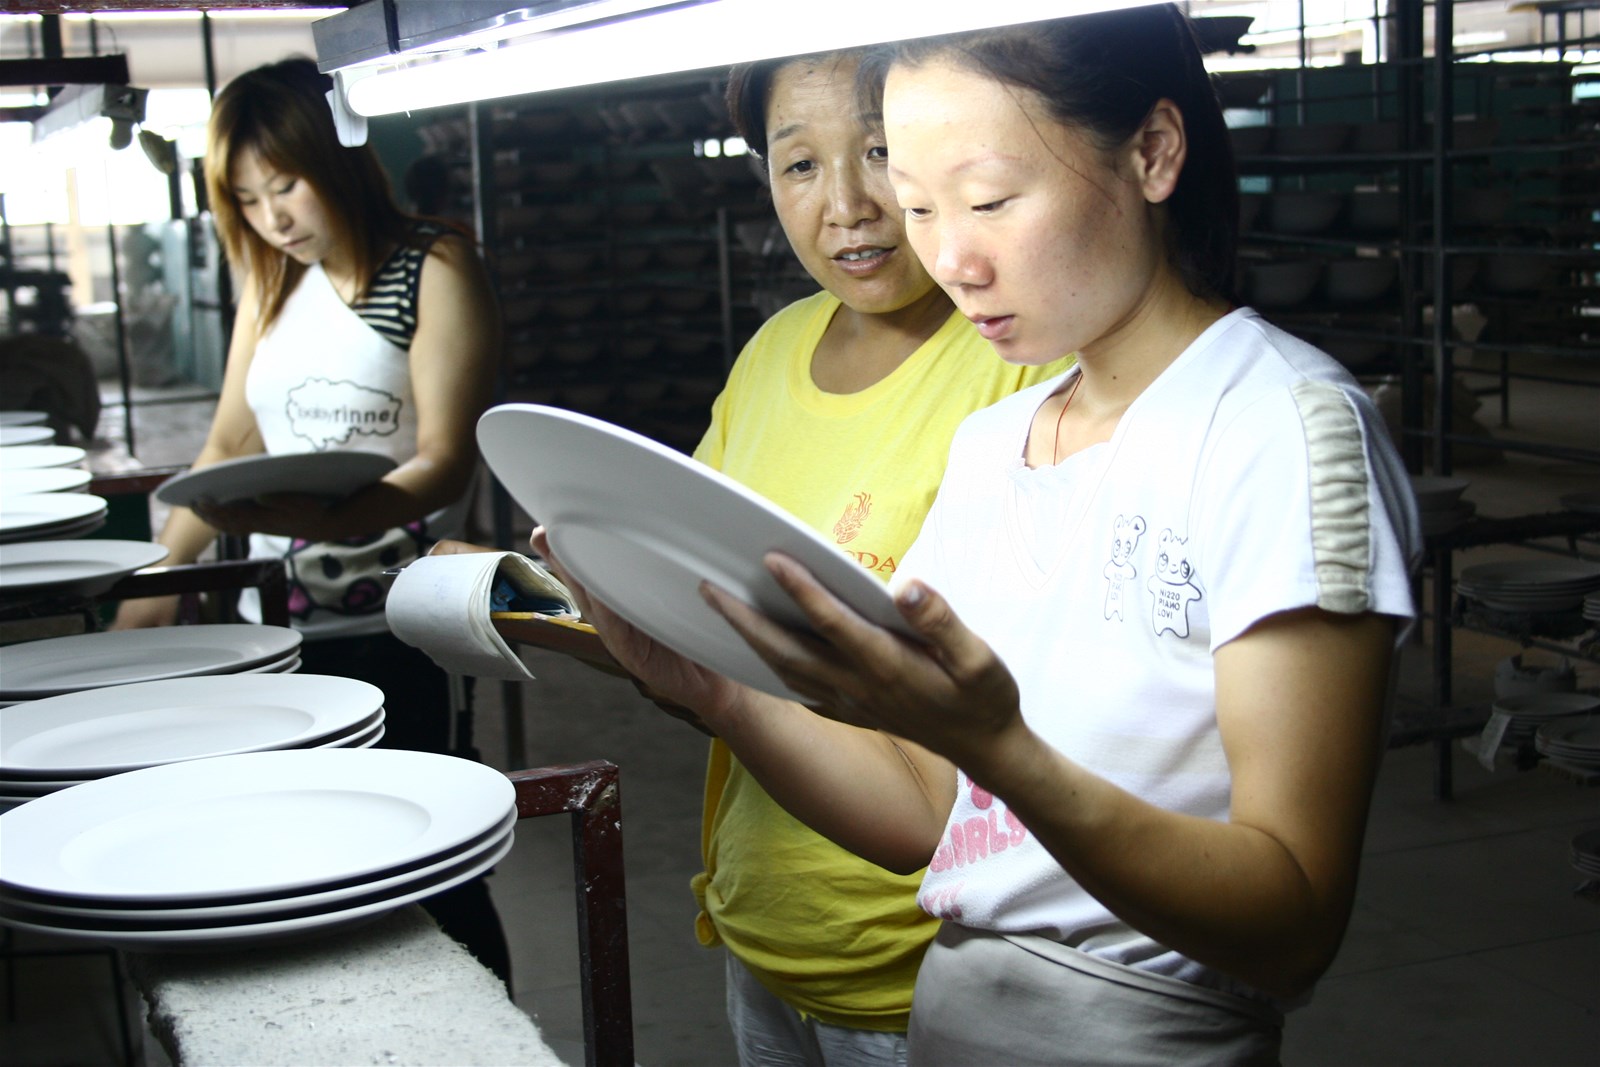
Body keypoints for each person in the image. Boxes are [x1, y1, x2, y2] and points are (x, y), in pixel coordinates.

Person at [532, 6, 1422, 1063]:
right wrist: (716, 690)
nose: (951, 257)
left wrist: (1000, 745)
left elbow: (1291, 927)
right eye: (917, 206)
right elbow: (925, 808)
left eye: (990, 199)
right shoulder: (998, 439)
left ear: (1151, 151)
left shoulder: (1277, 426)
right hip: (958, 1014)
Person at [440, 48, 1069, 1065]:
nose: (849, 205)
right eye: (798, 165)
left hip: (932, 955)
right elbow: (694, 632)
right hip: (764, 922)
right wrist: (531, 599)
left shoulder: (1018, 363)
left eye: (878, 149)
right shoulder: (775, 347)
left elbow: (1021, 705)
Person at [112, 58, 509, 986]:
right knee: (306, 855)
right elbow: (221, 449)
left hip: (397, 624)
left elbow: (444, 459)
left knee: (428, 859)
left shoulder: (434, 264)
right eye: (248, 200)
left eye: (285, 185)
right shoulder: (270, 284)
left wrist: (329, 516)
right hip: (277, 631)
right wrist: (146, 596)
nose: (273, 218)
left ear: (337, 160)